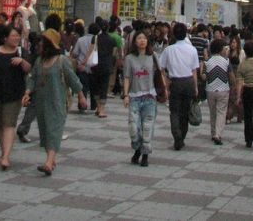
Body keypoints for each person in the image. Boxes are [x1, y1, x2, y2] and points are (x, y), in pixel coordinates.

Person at [22, 29, 86, 175]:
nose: (39, 44)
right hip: (41, 103)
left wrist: (81, 97)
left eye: (43, 42)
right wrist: (27, 92)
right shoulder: (39, 61)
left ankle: (49, 163)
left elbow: (73, 80)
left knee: (53, 131)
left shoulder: (62, 61)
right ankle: (51, 159)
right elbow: (32, 78)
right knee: (44, 131)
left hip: (57, 103)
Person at [0, 23, 31, 169]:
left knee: (9, 124)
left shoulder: (21, 52)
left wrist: (22, 61)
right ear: (5, 38)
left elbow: (29, 69)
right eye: (13, 36)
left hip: (14, 94)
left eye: (17, 36)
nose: (16, 38)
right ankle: (4, 152)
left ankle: (6, 157)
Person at [122, 30, 163, 166]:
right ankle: (137, 149)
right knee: (133, 127)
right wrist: (126, 95)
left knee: (147, 127)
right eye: (139, 38)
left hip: (150, 97)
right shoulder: (129, 58)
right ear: (135, 41)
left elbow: (159, 74)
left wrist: (165, 90)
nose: (142, 41)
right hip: (134, 96)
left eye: (144, 38)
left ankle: (145, 154)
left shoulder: (153, 56)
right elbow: (127, 77)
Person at [159, 22, 199, 150]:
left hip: (175, 82)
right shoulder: (192, 50)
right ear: (186, 34)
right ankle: (182, 137)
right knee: (185, 112)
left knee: (174, 111)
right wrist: (196, 87)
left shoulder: (168, 50)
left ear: (174, 35)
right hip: (188, 82)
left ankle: (176, 135)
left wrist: (166, 83)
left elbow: (161, 68)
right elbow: (194, 71)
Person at [204, 38, 234, 145]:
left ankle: (213, 133)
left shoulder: (207, 61)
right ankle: (218, 134)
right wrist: (233, 85)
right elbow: (231, 77)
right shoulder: (226, 61)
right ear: (221, 49)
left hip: (210, 90)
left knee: (212, 112)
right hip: (223, 90)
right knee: (221, 112)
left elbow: (203, 77)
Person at [85, 18, 116, 118]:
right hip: (106, 66)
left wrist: (84, 62)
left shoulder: (96, 38)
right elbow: (114, 53)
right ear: (108, 28)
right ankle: (102, 110)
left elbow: (90, 51)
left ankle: (98, 107)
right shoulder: (112, 39)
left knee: (96, 87)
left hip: (96, 66)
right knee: (104, 87)